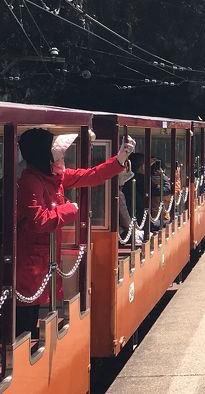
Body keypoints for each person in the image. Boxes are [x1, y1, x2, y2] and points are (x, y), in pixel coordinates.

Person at [16, 129, 135, 337]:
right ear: (43, 155)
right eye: (57, 152)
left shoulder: (52, 176)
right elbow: (38, 220)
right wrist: (69, 209)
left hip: (42, 259)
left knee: (32, 313)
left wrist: (119, 159)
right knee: (24, 315)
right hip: (30, 261)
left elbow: (91, 175)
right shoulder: (30, 181)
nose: (62, 156)